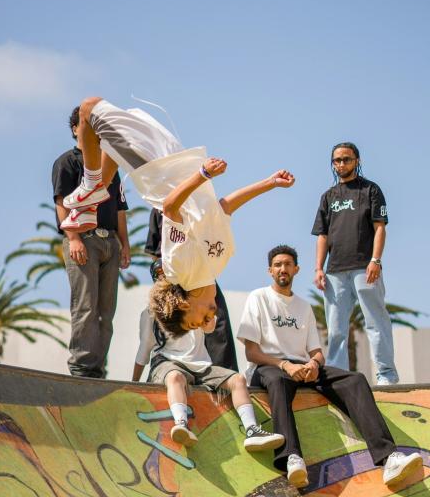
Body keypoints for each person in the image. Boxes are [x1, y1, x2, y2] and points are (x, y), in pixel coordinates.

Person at [61, 96, 294, 336]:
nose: (207, 321)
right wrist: (269, 183)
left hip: (154, 169)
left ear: (184, 305)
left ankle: (91, 189)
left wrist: (203, 174)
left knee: (88, 108)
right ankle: (95, 196)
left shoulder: (180, 272)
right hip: (177, 162)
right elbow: (224, 207)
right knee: (112, 134)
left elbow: (170, 207)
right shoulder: (218, 264)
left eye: (196, 323)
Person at [237, 245, 422, 488]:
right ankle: (291, 457)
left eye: (288, 264)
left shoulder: (303, 307)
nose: (283, 268)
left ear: (296, 269)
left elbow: (316, 351)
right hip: (268, 366)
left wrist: (313, 364)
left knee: (354, 380)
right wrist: (284, 365)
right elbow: (252, 352)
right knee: (278, 380)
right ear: (270, 270)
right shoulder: (258, 297)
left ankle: (389, 458)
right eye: (278, 264)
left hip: (302, 367)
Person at [133, 301, 284, 453]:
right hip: (167, 361)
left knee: (238, 380)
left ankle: (252, 430)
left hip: (200, 365)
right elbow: (145, 347)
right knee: (175, 377)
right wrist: (134, 383)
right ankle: (181, 424)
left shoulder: (196, 300)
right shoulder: (152, 310)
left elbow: (210, 328)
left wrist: (206, 310)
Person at [52, 106, 131, 378]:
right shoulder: (67, 162)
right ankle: (82, 368)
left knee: (106, 312)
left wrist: (124, 245)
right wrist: (72, 238)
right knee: (85, 307)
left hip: (110, 240)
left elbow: (120, 209)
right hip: (83, 240)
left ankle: (98, 369)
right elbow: (62, 203)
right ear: (77, 129)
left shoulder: (110, 165)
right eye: (88, 126)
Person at [311, 142, 399, 386]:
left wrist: (375, 260)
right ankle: (339, 378)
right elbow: (322, 235)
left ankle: (386, 375)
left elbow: (380, 227)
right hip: (335, 271)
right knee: (336, 329)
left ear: (357, 161)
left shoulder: (370, 190)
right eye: (337, 160)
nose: (341, 164)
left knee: (375, 322)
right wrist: (319, 267)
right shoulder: (328, 196)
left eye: (346, 159)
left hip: (365, 267)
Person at [144, 208, 238, 370]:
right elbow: (155, 253)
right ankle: (177, 368)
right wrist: (163, 281)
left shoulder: (196, 206)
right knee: (176, 324)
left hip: (199, 274)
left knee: (217, 319)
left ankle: (224, 374)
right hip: (171, 278)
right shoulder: (158, 208)